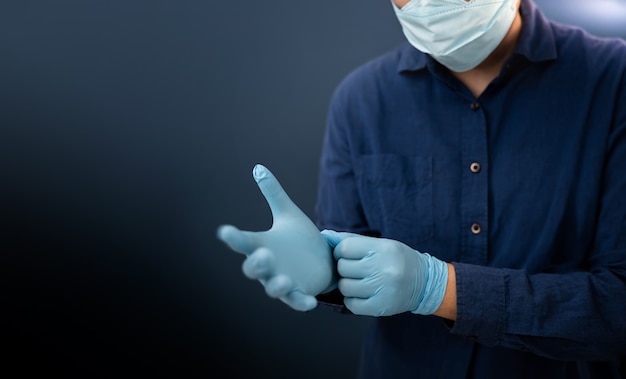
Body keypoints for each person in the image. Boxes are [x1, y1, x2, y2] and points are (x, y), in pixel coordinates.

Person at [217, 0, 626, 377]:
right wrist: (326, 272)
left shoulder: (612, 80)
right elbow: (351, 261)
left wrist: (438, 288)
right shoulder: (361, 100)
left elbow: (617, 303)